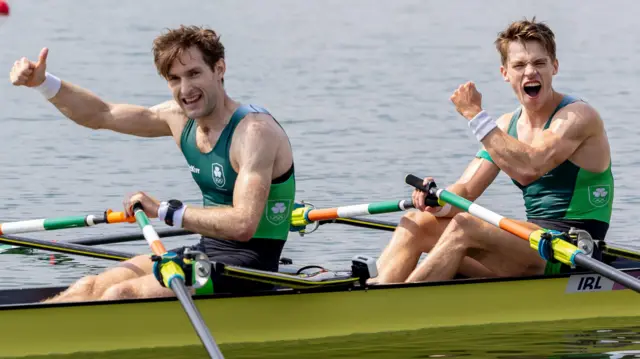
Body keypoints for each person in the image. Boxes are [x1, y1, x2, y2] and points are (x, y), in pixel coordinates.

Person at [9, 25, 296, 302]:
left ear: (219, 69)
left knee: (120, 295)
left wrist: (163, 211)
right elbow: (101, 114)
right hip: (207, 253)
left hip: (249, 269)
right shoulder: (179, 118)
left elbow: (243, 224)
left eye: (194, 73)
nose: (185, 89)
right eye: (174, 79)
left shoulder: (254, 133)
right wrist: (44, 84)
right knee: (90, 285)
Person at [372, 17, 613, 284]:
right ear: (505, 73)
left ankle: (401, 305)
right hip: (530, 243)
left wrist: (475, 115)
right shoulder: (504, 127)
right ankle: (375, 293)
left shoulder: (577, 116)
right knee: (416, 222)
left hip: (570, 249)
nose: (530, 72)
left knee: (465, 226)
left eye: (539, 63)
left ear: (554, 67)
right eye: (519, 65)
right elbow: (465, 191)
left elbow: (529, 168)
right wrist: (435, 201)